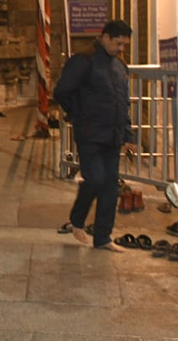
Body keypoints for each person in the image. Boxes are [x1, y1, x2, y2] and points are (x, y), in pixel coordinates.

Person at [55, 18, 137, 252]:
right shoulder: (84, 59)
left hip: (113, 135)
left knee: (110, 187)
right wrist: (78, 113)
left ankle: (103, 237)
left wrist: (128, 136)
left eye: (124, 45)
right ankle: (77, 221)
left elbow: (123, 103)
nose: (121, 49)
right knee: (96, 179)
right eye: (118, 44)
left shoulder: (119, 66)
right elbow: (62, 91)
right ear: (106, 37)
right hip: (90, 133)